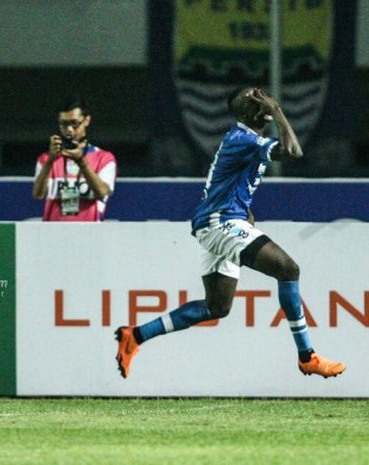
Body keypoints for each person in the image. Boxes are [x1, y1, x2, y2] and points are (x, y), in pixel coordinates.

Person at [115, 87, 346, 380]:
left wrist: (243, 210)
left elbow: (225, 183)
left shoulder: (247, 140)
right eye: (254, 96)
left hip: (219, 221)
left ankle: (135, 335)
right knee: (288, 269)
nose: (261, 95)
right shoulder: (243, 138)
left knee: (216, 307)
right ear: (249, 112)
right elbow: (293, 151)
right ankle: (307, 357)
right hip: (220, 223)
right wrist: (277, 110)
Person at [32, 96, 117, 221]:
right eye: (63, 124)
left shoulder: (104, 158)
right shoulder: (47, 158)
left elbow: (102, 193)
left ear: (86, 120)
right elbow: (38, 194)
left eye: (74, 123)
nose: (69, 130)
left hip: (90, 232)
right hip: (53, 233)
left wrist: (81, 162)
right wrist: (50, 161)